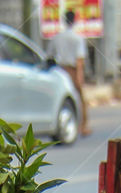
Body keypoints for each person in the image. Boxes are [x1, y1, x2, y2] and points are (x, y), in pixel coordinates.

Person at [50, 8, 91, 136]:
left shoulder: (56, 38)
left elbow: (50, 56)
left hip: (60, 70)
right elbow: (80, 60)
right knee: (80, 99)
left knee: (60, 98)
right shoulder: (78, 38)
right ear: (75, 20)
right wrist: (79, 76)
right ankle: (83, 126)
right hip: (73, 70)